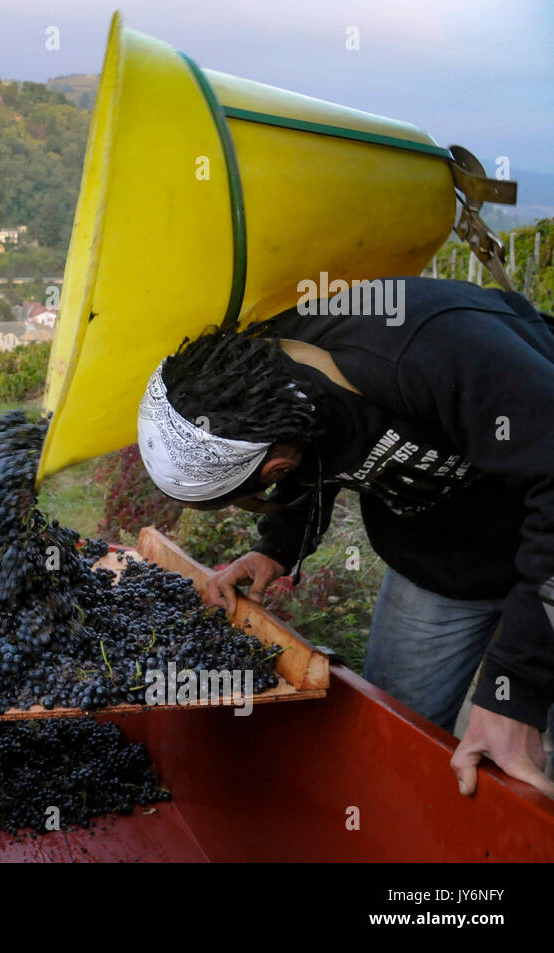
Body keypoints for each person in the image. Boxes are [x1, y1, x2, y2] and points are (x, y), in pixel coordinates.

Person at [136, 276, 554, 798]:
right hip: (441, 567)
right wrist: (277, 547)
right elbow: (318, 453)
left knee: (526, 769)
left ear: (274, 468)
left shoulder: (431, 350)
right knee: (394, 742)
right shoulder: (274, 393)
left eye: (264, 487)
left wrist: (516, 689)